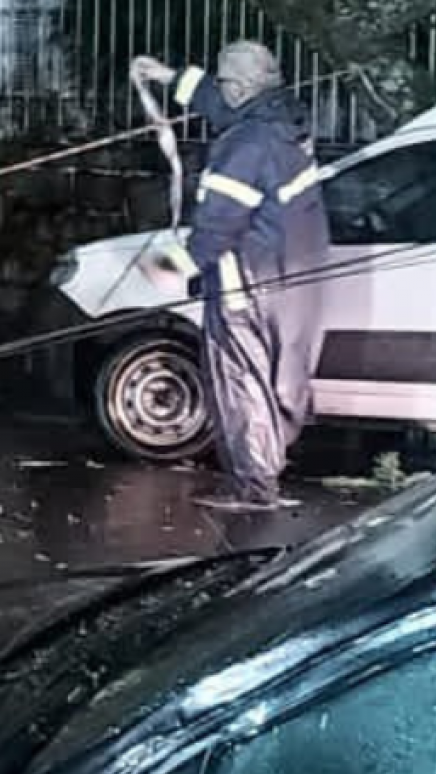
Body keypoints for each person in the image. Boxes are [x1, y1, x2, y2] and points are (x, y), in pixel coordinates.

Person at [131, 42, 330, 511]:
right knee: (280, 375)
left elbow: (216, 228)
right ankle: (265, 467)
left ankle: (254, 487)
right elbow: (225, 108)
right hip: (296, 278)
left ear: (240, 85)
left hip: (249, 283)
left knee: (240, 377)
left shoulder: (244, 147)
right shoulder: (283, 122)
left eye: (223, 80)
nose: (219, 90)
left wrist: (167, 271)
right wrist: (168, 77)